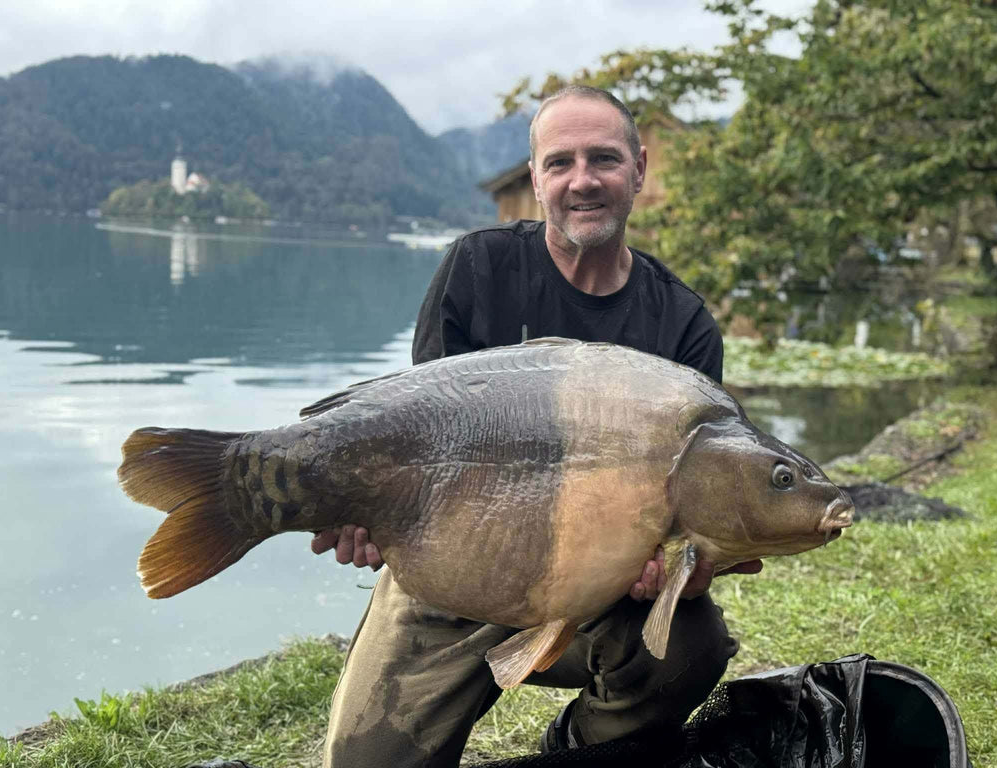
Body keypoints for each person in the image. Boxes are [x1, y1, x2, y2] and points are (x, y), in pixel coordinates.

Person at [312, 85, 761, 768]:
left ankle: (580, 747)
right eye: (560, 163)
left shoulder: (683, 327)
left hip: (593, 589)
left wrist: (679, 570)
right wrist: (370, 509)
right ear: (536, 179)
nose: (583, 181)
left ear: (639, 167)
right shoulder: (478, 267)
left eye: (604, 159)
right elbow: (415, 447)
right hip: (449, 579)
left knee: (690, 644)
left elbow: (696, 508)